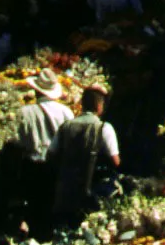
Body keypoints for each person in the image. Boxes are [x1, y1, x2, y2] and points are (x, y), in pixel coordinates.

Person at [11, 69, 74, 239]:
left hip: (32, 163)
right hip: (56, 166)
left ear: (37, 90)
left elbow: (17, 141)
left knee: (33, 206)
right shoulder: (66, 112)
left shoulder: (25, 112)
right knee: (51, 206)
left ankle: (32, 238)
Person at [49, 85, 120, 230]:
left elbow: (50, 154)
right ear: (100, 106)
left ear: (82, 104)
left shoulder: (66, 126)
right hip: (92, 191)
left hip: (66, 190)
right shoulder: (104, 128)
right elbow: (115, 161)